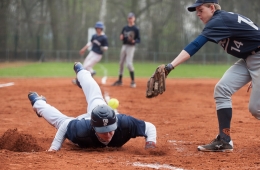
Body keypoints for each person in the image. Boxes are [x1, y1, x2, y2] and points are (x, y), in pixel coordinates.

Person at [157, 0, 260, 152]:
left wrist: (170, 66)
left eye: (200, 10)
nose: (198, 14)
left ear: (212, 8)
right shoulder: (220, 20)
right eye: (196, 11)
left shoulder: (218, 20)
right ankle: (224, 141)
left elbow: (196, 44)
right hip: (249, 59)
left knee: (256, 108)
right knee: (222, 89)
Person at [28, 62, 156, 151]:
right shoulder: (81, 130)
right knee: (60, 121)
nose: (109, 134)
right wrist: (54, 148)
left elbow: (149, 127)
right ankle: (38, 102)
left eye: (111, 129)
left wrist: (150, 144)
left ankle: (81, 72)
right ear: (94, 129)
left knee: (96, 98)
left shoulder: (123, 124)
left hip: (98, 115)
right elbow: (65, 125)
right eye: (104, 132)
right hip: (86, 121)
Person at [112, 12, 140, 88]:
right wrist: (121, 37)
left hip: (131, 47)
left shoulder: (136, 29)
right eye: (129, 18)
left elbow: (138, 39)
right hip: (124, 46)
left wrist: (134, 41)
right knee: (121, 63)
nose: (130, 19)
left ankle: (133, 81)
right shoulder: (125, 28)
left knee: (129, 64)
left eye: (131, 18)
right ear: (128, 19)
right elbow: (122, 35)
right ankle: (120, 80)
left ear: (134, 18)